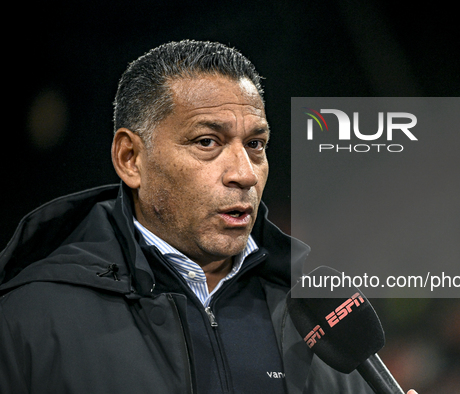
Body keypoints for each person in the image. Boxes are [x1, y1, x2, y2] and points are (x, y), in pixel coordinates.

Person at [0, 40, 418, 394]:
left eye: (255, 144)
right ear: (131, 158)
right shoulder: (29, 321)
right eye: (206, 141)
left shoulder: (313, 322)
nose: (244, 173)